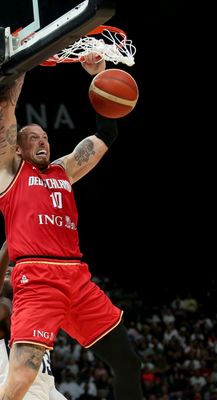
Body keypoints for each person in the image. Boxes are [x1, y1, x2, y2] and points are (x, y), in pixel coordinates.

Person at [0, 57, 143, 399]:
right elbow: (5, 108)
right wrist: (19, 67)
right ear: (17, 149)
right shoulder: (10, 175)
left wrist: (101, 73)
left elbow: (106, 133)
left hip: (77, 279)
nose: (42, 141)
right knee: (21, 376)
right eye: (33, 137)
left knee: (129, 363)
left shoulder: (65, 170)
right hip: (37, 278)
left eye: (45, 136)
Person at [0, 242, 67, 399]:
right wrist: (12, 238)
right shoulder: (5, 307)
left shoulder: (33, 307)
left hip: (46, 386)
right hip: (15, 388)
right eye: (6, 273)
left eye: (13, 271)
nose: (10, 269)